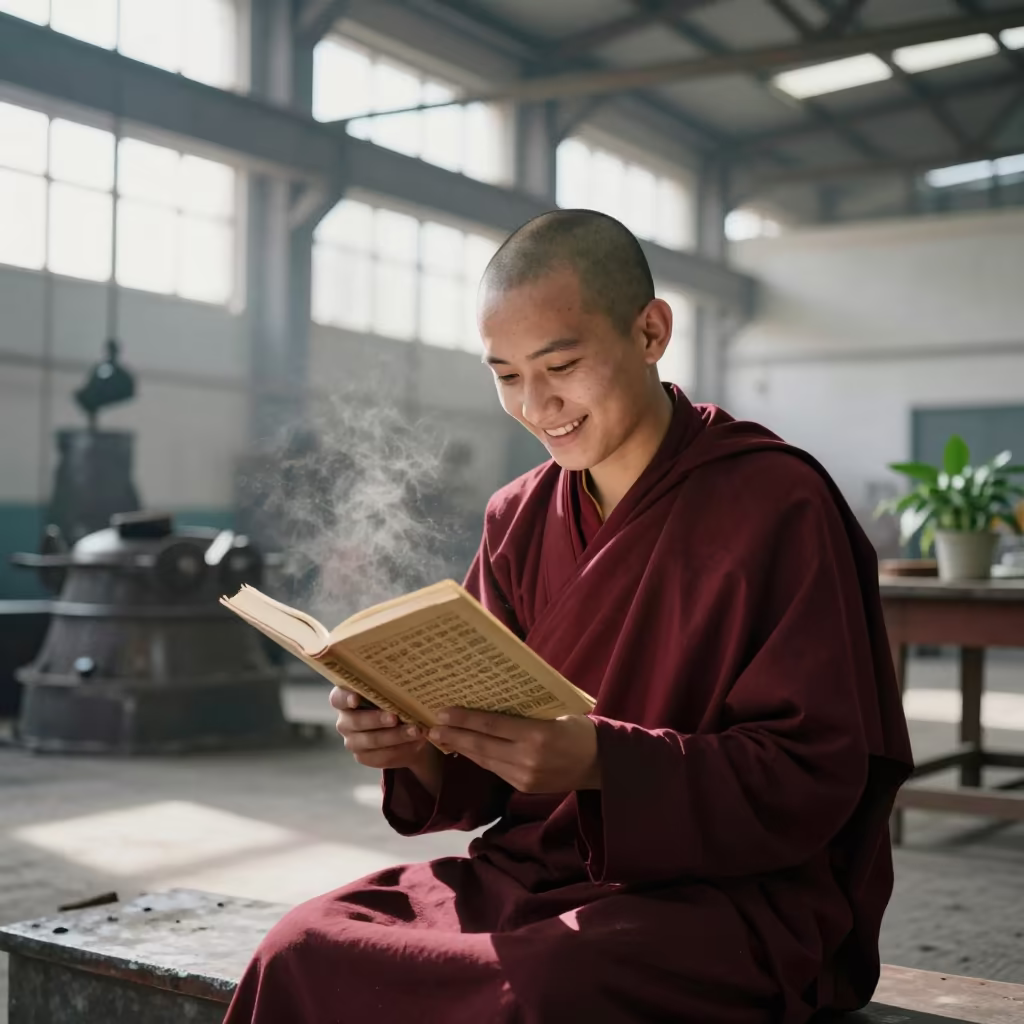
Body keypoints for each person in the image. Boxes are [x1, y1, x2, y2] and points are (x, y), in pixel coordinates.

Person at [223, 210, 912, 1024]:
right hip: (536, 872)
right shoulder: (517, 516)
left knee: (547, 988)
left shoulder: (776, 503)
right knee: (301, 944)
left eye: (562, 364)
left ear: (650, 331)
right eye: (506, 375)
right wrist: (414, 743)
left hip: (727, 896)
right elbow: (483, 762)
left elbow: (814, 776)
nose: (537, 404)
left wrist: (600, 765)